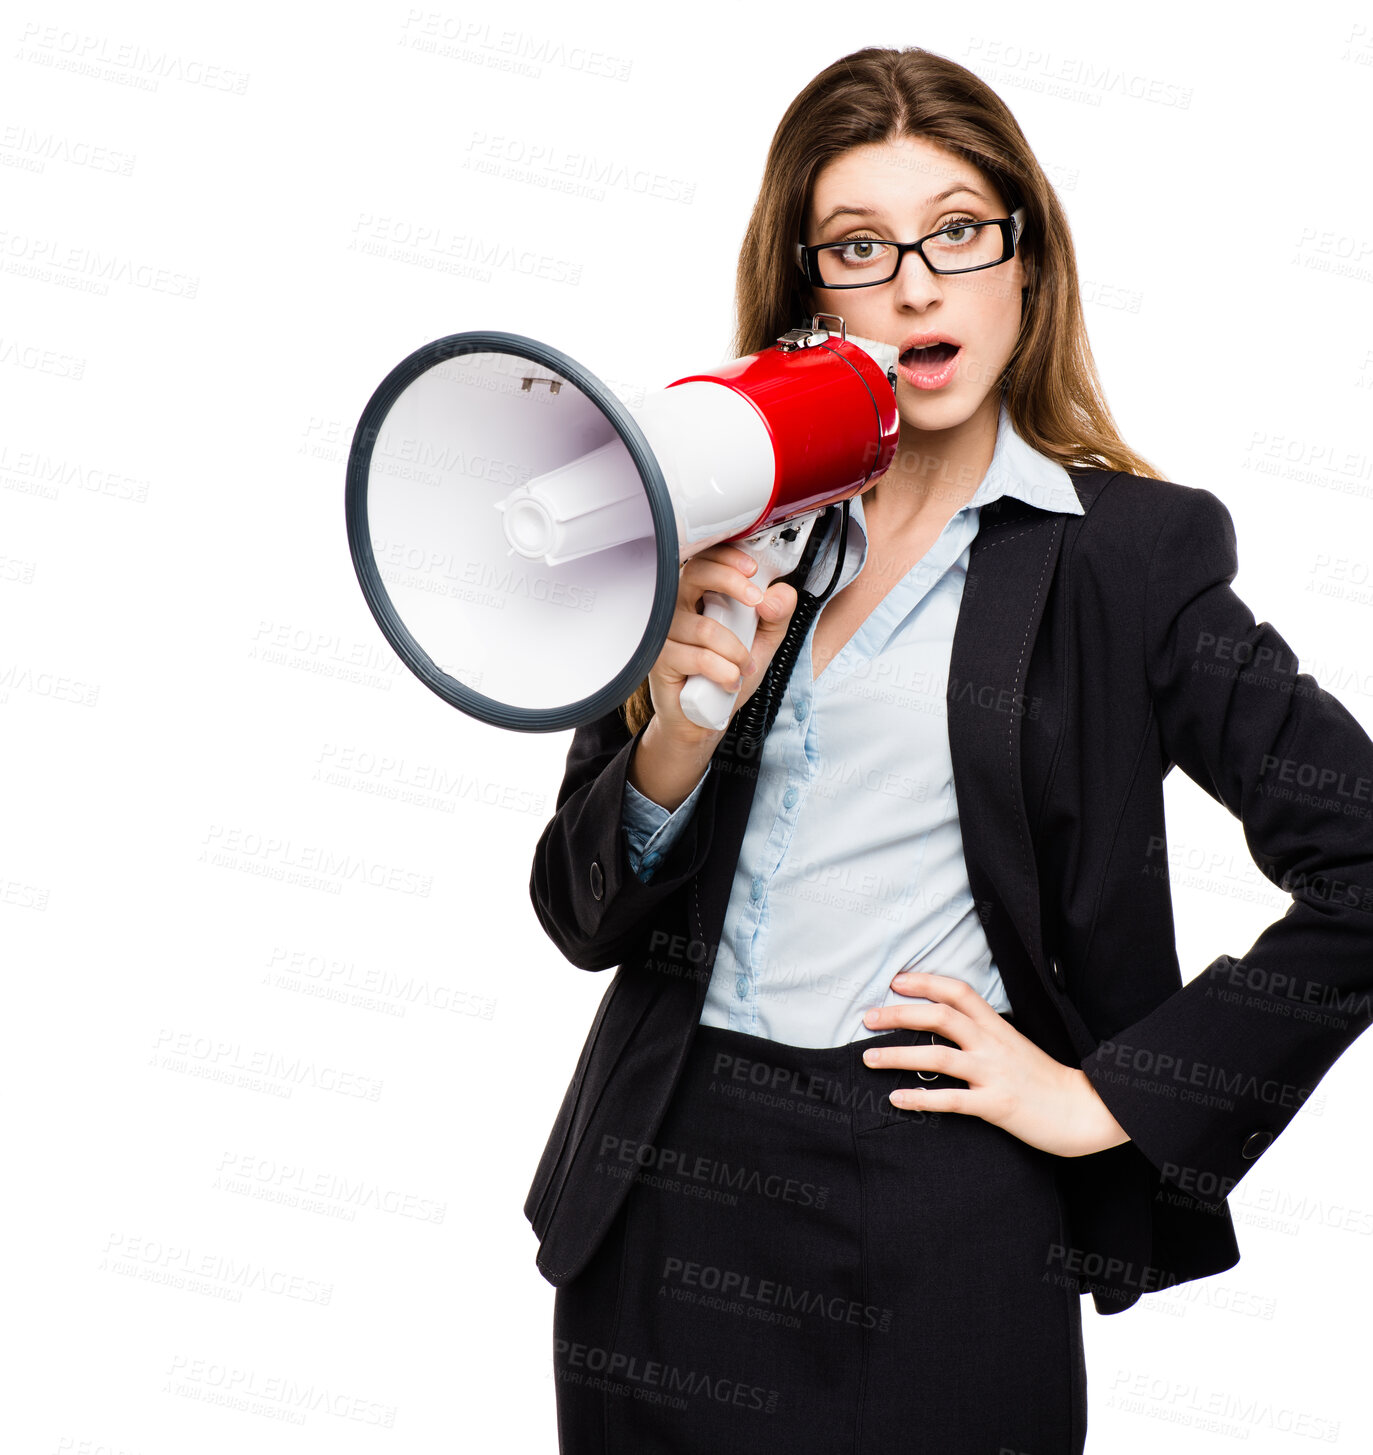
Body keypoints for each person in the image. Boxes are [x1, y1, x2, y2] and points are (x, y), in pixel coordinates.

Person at [525, 45, 1373, 1454]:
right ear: (810, 292)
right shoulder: (715, 526)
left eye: (958, 232)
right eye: (861, 246)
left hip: (934, 1209)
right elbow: (579, 915)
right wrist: (675, 736)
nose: (916, 282)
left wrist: (1108, 1098)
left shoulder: (1130, 564)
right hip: (661, 1192)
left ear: (1023, 266)